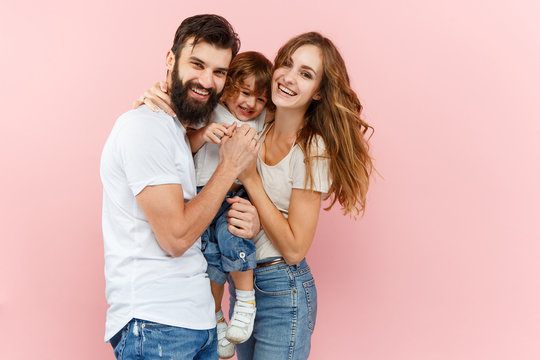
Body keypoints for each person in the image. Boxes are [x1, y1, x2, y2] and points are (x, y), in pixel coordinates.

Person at [139, 31, 374, 360]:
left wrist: (250, 179)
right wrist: (157, 92)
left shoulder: (312, 148)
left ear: (319, 91)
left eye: (305, 74)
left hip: (282, 286)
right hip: (243, 283)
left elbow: (294, 249)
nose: (290, 78)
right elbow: (205, 97)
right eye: (288, 64)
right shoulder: (260, 122)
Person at [100, 14, 262, 360]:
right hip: (157, 324)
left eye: (219, 72)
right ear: (170, 60)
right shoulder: (144, 127)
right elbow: (175, 238)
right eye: (197, 64)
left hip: (195, 322)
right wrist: (231, 166)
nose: (207, 81)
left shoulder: (175, 130)